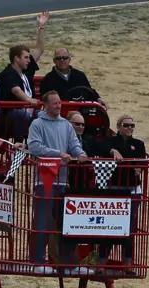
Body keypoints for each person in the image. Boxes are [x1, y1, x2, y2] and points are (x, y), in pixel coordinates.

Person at [27, 91, 94, 276]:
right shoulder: (37, 124)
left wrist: (79, 153)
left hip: (62, 179)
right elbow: (33, 146)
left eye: (60, 103)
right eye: (55, 103)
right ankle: (37, 260)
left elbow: (74, 144)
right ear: (46, 105)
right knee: (42, 221)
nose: (59, 106)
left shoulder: (65, 125)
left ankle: (67, 262)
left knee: (63, 223)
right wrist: (58, 153)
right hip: (44, 179)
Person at [95, 115, 146, 275]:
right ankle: (101, 263)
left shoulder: (138, 144)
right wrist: (113, 151)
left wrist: (140, 167)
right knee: (110, 226)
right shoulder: (110, 141)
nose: (130, 128)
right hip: (115, 188)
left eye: (132, 125)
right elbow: (100, 147)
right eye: (126, 125)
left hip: (132, 189)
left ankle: (128, 264)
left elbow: (142, 161)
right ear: (118, 126)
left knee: (129, 228)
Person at [0, 11, 49, 141]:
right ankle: (20, 146)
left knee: (45, 116)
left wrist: (41, 26)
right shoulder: (7, 74)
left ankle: (43, 148)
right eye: (25, 57)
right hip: (9, 117)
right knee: (22, 115)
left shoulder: (26, 69)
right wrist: (29, 101)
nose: (29, 60)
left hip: (28, 112)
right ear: (16, 58)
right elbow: (16, 90)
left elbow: (40, 49)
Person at [39, 48, 107, 108]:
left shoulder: (80, 75)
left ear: (69, 59)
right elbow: (46, 103)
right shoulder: (47, 80)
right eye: (58, 58)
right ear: (54, 61)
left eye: (65, 58)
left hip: (82, 110)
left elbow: (89, 91)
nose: (62, 60)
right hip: (60, 114)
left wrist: (98, 98)